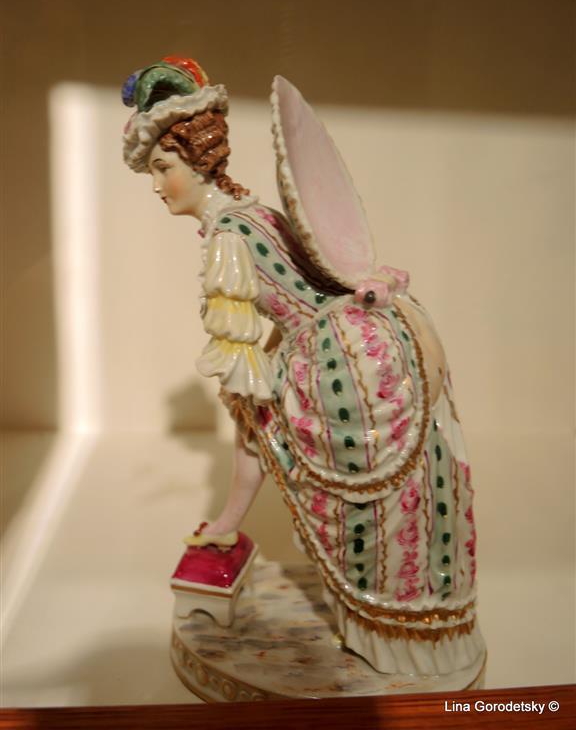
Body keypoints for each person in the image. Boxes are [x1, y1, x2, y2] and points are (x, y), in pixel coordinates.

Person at [122, 56, 485, 678]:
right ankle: (410, 622)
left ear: (199, 162)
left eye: (163, 168)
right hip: (363, 335)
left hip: (341, 359)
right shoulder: (254, 213)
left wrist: (261, 389)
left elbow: (249, 365)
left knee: (302, 452)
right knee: (368, 481)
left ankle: (387, 624)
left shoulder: (228, 236)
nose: (158, 186)